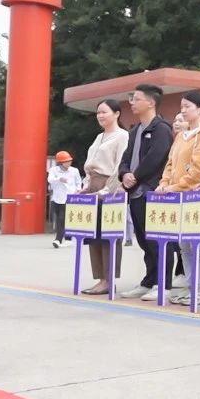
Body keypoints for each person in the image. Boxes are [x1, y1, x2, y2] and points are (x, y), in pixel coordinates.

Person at [155, 92, 200, 306]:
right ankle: (191, 287)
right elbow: (170, 163)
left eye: (187, 106)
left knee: (199, 244)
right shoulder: (181, 135)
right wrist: (164, 183)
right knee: (184, 245)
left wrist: (175, 186)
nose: (183, 110)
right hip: (177, 196)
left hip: (196, 196)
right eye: (181, 106)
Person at [118, 84, 175, 299]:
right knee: (143, 240)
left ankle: (163, 284)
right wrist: (124, 174)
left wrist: (135, 176)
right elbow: (125, 158)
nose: (132, 102)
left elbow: (156, 158)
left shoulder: (161, 129)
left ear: (151, 103)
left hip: (152, 192)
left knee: (158, 240)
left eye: (136, 98)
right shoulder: (135, 131)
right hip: (135, 192)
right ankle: (149, 280)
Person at [80, 100, 129, 294]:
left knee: (109, 234)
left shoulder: (122, 136)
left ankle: (109, 279)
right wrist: (85, 187)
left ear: (116, 113)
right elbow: (89, 166)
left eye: (104, 112)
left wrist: (107, 190)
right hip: (93, 186)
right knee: (93, 235)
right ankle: (100, 278)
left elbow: (119, 166)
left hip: (109, 187)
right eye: (98, 113)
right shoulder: (99, 137)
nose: (100, 116)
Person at [48, 151, 83, 247]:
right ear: (60, 162)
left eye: (69, 161)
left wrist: (78, 190)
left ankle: (58, 240)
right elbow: (50, 180)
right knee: (61, 219)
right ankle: (68, 238)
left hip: (70, 198)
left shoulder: (74, 171)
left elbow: (78, 182)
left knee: (62, 219)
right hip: (57, 198)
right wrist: (59, 179)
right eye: (66, 161)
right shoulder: (54, 170)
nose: (68, 163)